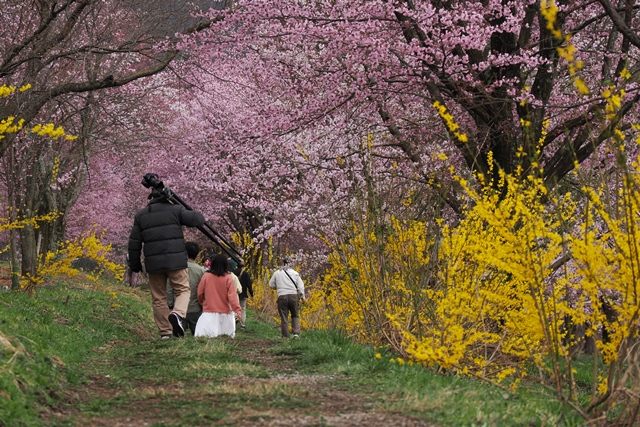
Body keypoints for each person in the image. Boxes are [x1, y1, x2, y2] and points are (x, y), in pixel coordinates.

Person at [128, 186, 205, 339]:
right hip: (176, 261)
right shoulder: (176, 210)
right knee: (183, 290)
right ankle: (177, 314)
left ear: (150, 199)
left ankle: (165, 332)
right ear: (168, 198)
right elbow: (198, 219)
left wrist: (135, 264)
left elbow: (134, 243)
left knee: (159, 297)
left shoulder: (141, 215)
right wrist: (181, 205)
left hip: (153, 263)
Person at [194, 254, 243, 338]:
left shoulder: (206, 276)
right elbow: (233, 297)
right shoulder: (229, 278)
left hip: (208, 313)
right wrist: (237, 310)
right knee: (225, 338)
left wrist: (202, 303)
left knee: (204, 338)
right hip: (226, 314)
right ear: (225, 265)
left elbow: (200, 293)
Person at [166, 241, 206, 335]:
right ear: (196, 254)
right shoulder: (201, 271)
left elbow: (169, 288)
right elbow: (204, 290)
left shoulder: (176, 269)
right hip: (195, 308)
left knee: (178, 336)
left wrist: (170, 304)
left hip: (179, 308)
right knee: (198, 335)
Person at [269, 256, 305, 338]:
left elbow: (271, 284)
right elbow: (301, 286)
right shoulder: (295, 273)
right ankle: (296, 333)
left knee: (284, 316)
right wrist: (302, 296)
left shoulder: (277, 273)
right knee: (295, 314)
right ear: (291, 264)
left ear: (283, 263)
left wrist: (278, 287)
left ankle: (285, 335)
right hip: (293, 296)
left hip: (282, 296)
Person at [236, 263, 253, 328]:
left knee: (234, 308)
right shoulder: (245, 274)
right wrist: (251, 293)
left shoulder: (233, 272)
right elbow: (249, 284)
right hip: (243, 294)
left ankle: (235, 320)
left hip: (235, 293)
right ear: (243, 267)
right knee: (243, 308)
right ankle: (242, 324)